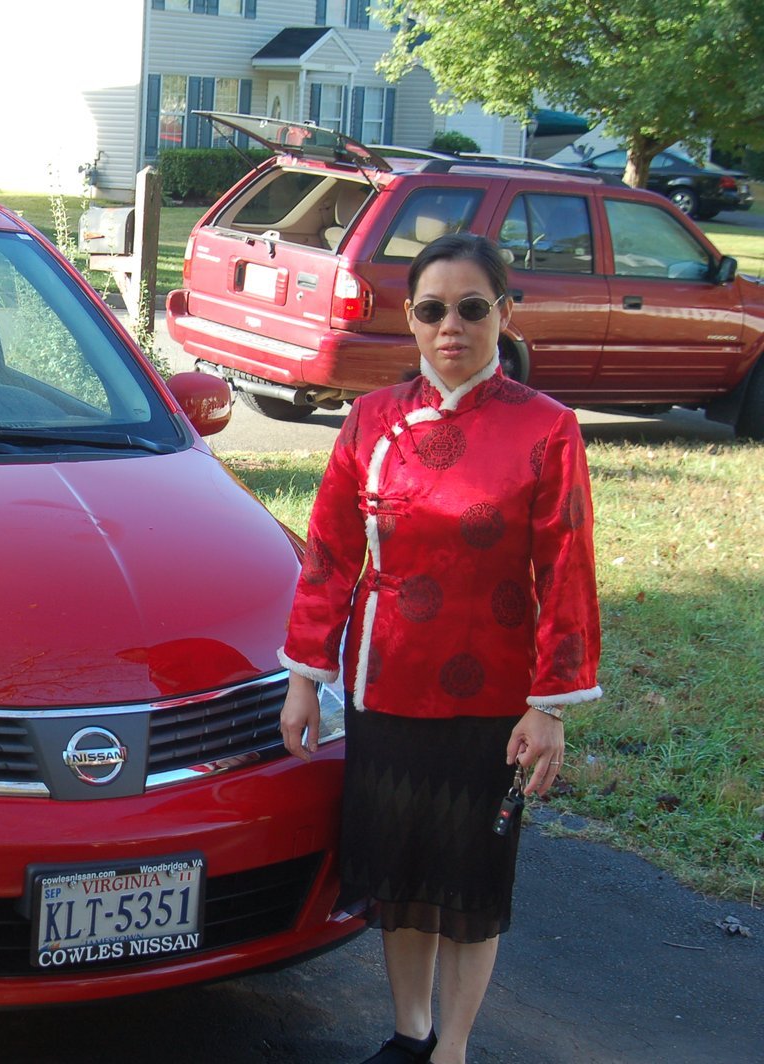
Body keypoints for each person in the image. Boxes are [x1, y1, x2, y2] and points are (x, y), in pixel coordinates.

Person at [278, 233, 602, 1064]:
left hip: (490, 698)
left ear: (504, 313)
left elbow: (566, 568)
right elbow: (330, 556)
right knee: (401, 874)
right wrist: (306, 677)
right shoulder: (372, 420)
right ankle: (409, 1033)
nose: (450, 326)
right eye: (431, 309)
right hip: (386, 686)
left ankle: (452, 1049)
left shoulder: (547, 428)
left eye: (470, 307)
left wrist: (549, 706)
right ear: (411, 320)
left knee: (468, 883)